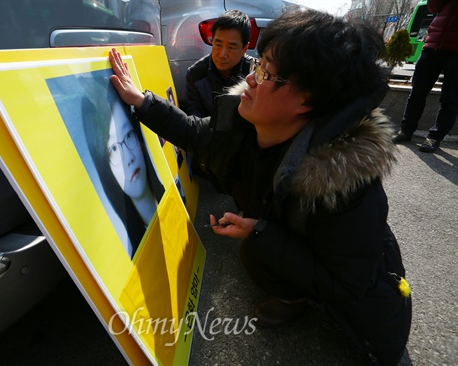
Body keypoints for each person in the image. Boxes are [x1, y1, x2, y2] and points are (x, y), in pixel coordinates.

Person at [108, 9, 411, 365]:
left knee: (258, 250)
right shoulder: (245, 119)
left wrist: (259, 231)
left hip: (352, 288)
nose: (251, 79)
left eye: (267, 72)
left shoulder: (343, 186)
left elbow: (348, 284)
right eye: (259, 65)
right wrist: (140, 100)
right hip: (292, 235)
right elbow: (194, 132)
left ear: (308, 100)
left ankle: (296, 300)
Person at [82, 79, 164, 259]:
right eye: (113, 149)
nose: (128, 157)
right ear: (103, 166)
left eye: (128, 135)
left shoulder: (175, 201)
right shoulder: (134, 260)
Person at [392, 0, 458, 153]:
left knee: (450, 98)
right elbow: (433, 7)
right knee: (417, 92)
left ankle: (435, 136)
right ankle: (406, 130)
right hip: (432, 46)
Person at [184, 9, 254, 118]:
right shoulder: (195, 74)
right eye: (218, 44)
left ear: (244, 49)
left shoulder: (254, 74)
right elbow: (196, 119)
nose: (222, 54)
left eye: (231, 47)